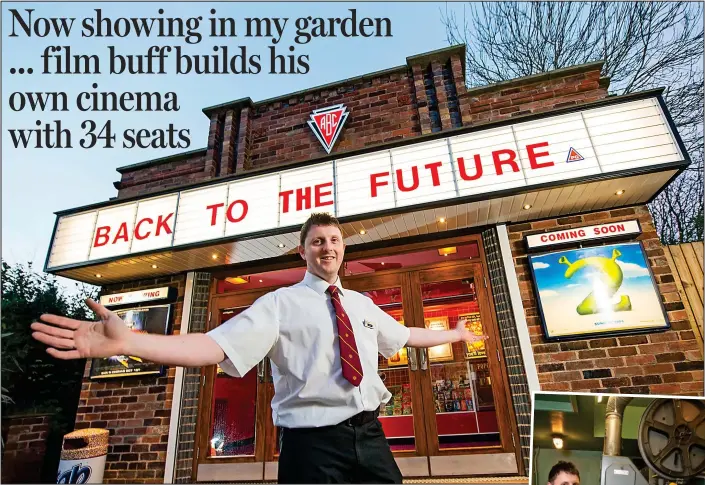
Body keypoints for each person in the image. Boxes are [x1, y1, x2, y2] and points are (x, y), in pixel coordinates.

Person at [32, 212, 485, 484]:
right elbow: (211, 347)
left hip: (370, 436)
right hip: (312, 446)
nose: (327, 248)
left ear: (343, 248)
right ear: (302, 252)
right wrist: (132, 340)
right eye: (317, 242)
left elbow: (407, 335)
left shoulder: (361, 304)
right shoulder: (278, 304)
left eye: (334, 240)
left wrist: (456, 335)